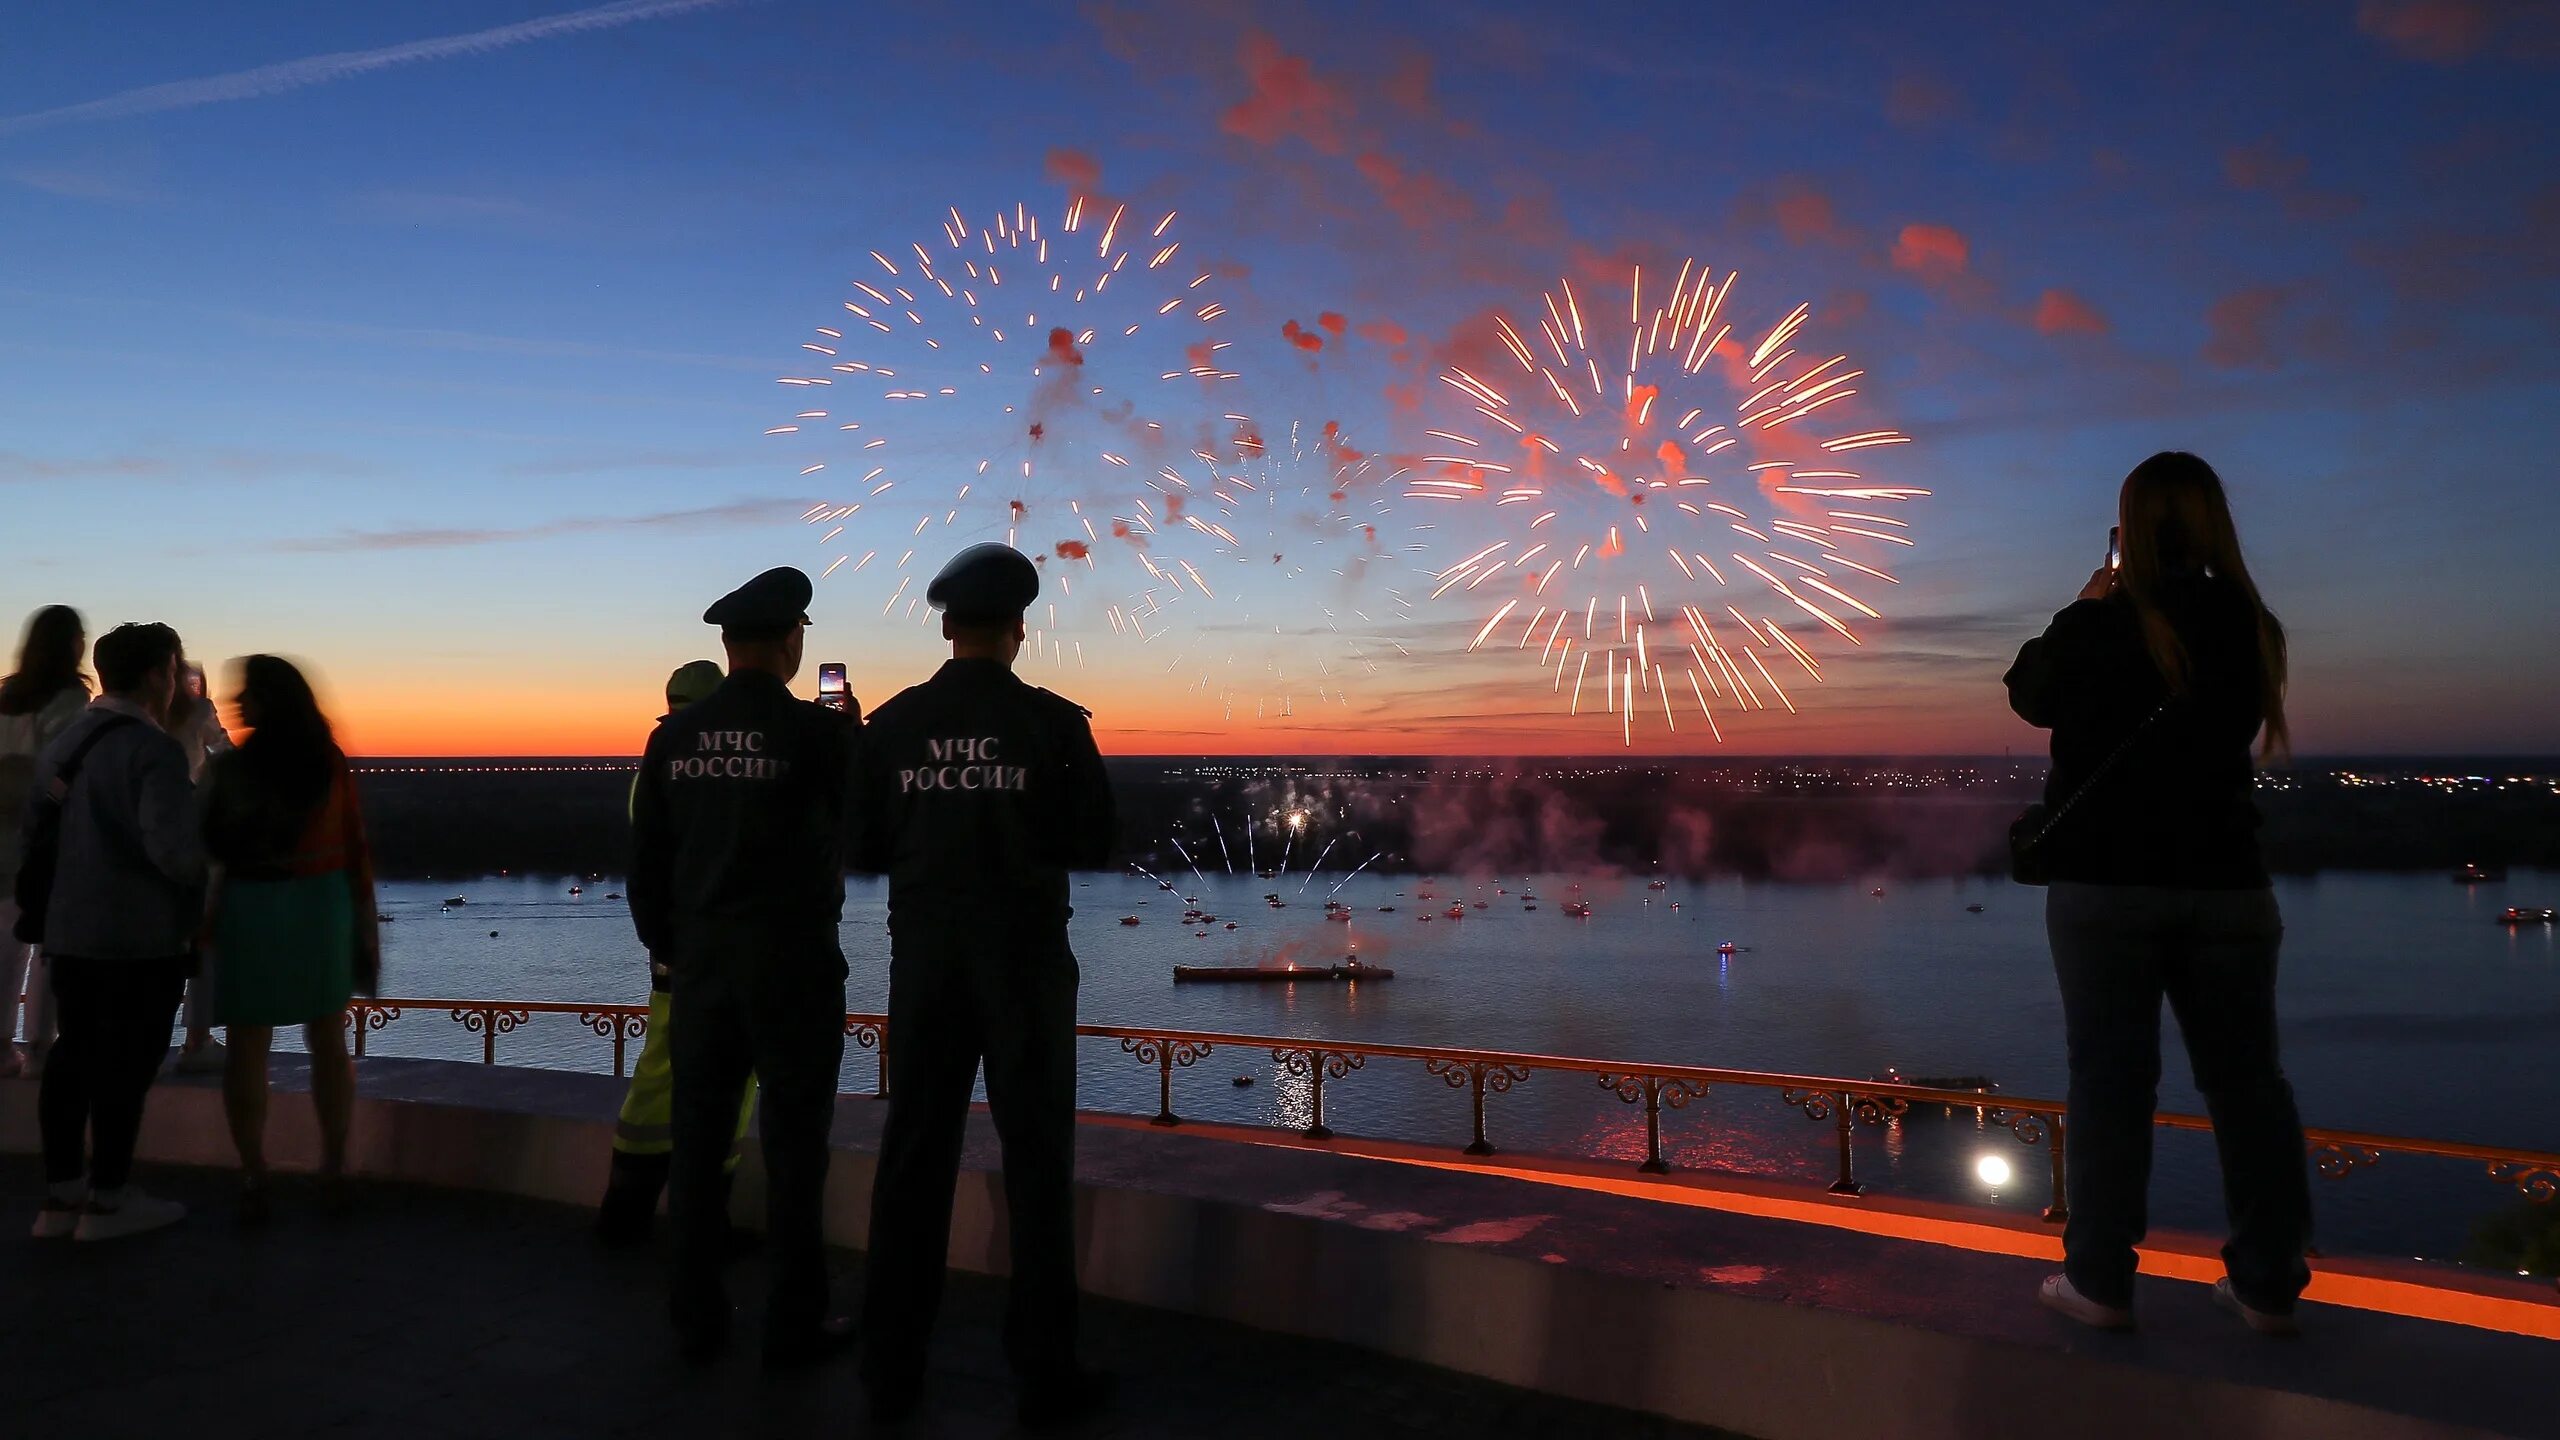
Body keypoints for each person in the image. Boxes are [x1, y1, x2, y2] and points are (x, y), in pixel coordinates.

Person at [2005, 451, 2310, 1336]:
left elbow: (2030, 693)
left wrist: (2089, 598)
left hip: (2105, 883)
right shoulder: (2251, 625)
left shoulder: (2103, 622)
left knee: (2109, 1083)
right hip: (2226, 883)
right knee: (2250, 1086)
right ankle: (2267, 1286)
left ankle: (2099, 1281)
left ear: (2127, 529)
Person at [855, 543, 1117, 1429]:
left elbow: (858, 848)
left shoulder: (889, 726)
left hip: (924, 962)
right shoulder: (1052, 723)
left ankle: (891, 1363)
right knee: (1039, 1161)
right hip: (1026, 966)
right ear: (1017, 629)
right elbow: (1094, 841)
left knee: (913, 1156)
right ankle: (1045, 1367)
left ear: (944, 625)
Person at [629, 567, 862, 1368]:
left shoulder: (675, 738)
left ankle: (694, 1314)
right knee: (798, 1149)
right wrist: (852, 737)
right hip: (792, 966)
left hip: (704, 969)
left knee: (697, 1144)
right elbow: (862, 832)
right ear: (792, 642)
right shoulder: (817, 735)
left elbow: (647, 866)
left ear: (728, 646)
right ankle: (794, 1323)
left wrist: (676, 949)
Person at [23, 622, 206, 1242]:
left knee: (72, 1057)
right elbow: (174, 853)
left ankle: (61, 1194)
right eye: (175, 670)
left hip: (68, 929)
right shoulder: (151, 751)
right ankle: (110, 1198)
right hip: (138, 935)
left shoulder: (67, 743)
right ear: (158, 675)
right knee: (128, 1067)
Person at [200, 656, 377, 1223]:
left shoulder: (230, 772)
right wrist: (365, 929)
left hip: (253, 907)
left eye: (247, 693)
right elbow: (355, 852)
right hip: (321, 908)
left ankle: (254, 1174)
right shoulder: (328, 765)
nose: (236, 703)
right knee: (327, 1041)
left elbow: (206, 849)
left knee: (248, 1046)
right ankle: (333, 1166)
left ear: (271, 700)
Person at [595, 659, 760, 1248]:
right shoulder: (728, 766)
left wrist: (660, 941)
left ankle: (626, 1215)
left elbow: (647, 867)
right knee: (726, 1084)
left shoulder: (658, 763)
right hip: (714, 951)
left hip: (674, 951)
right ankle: (702, 1224)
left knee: (661, 1072)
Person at [1, 605, 88, 1080]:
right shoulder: (70, 700)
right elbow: (66, 768)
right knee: (52, 947)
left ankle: (1, 1047)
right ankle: (40, 1042)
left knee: (5, 947)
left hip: (1, 838)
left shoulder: (7, 695)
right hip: (45, 839)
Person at [169, 659, 234, 1075]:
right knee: (204, 940)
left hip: (143, 839)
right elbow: (228, 756)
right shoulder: (198, 711)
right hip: (194, 833)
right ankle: (197, 1039)